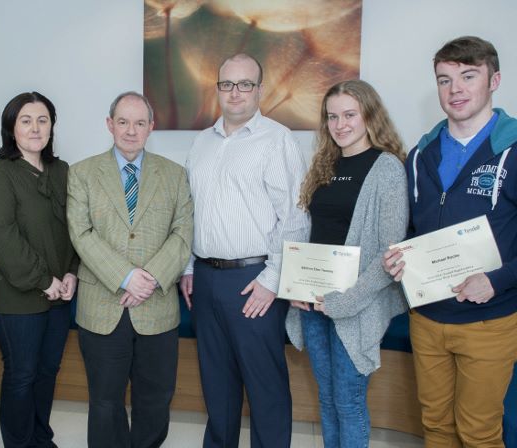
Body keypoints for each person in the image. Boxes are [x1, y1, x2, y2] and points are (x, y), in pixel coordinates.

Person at [383, 36, 517, 447]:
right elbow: (410, 230)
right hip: (427, 317)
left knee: (478, 432)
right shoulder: (421, 154)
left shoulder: (512, 149)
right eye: (444, 80)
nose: (455, 89)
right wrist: (399, 257)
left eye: (468, 76)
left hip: (488, 319)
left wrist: (497, 280)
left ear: (494, 80)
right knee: (436, 425)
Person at [179, 53, 310, 447]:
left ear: (260, 90)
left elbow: (296, 218)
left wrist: (272, 281)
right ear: (217, 89)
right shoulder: (201, 142)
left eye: (245, 84)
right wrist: (187, 267)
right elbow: (189, 210)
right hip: (204, 278)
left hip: (254, 281)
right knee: (216, 385)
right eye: (227, 84)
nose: (235, 93)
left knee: (265, 386)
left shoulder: (277, 139)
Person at [284, 79, 408, 447]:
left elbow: (390, 254)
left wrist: (347, 300)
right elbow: (308, 232)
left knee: (349, 402)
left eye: (349, 115)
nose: (340, 125)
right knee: (327, 399)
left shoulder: (387, 169)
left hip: (356, 306)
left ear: (370, 115)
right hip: (314, 304)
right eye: (332, 116)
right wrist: (294, 287)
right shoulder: (324, 163)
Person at [67, 91, 193, 448]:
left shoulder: (175, 175)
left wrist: (150, 278)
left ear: (151, 127)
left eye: (140, 123)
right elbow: (81, 233)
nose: (131, 131)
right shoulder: (82, 174)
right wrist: (126, 277)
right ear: (110, 124)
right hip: (104, 306)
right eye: (123, 122)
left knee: (155, 399)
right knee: (105, 403)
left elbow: (183, 232)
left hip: (157, 306)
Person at [0, 91, 78, 448]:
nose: (35, 128)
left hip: (60, 296)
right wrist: (42, 279)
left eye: (43, 120)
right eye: (26, 120)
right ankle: (19, 443)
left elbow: (75, 229)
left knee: (48, 372)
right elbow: (1, 238)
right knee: (22, 375)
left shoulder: (62, 170)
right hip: (17, 298)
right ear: (11, 127)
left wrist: (71, 273)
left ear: (52, 126)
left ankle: (40, 437)